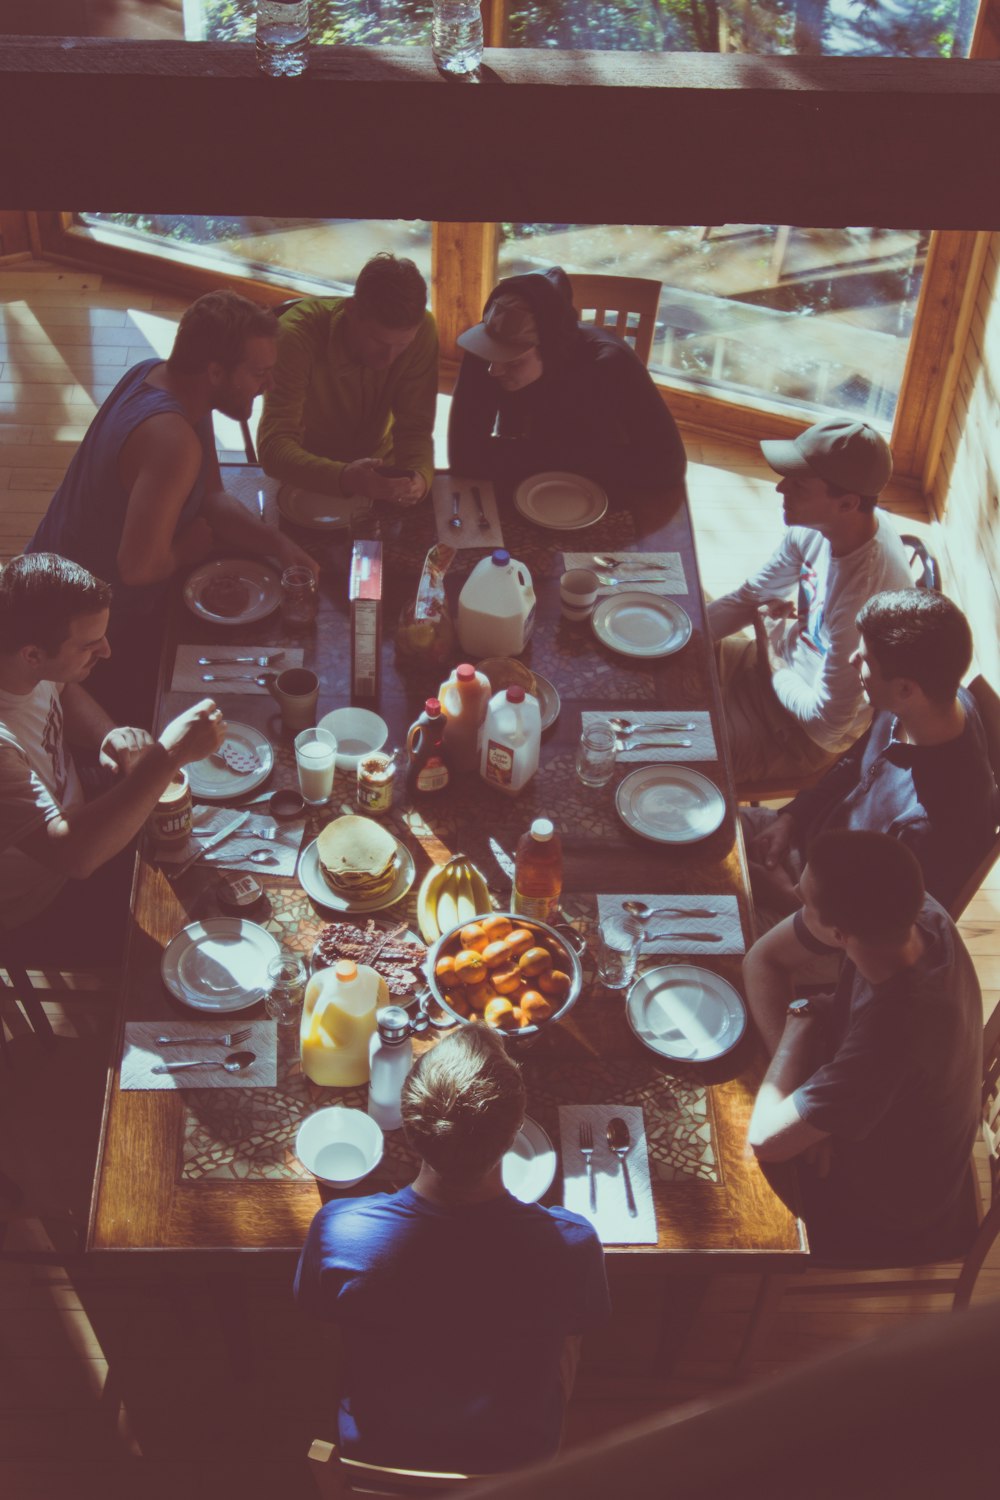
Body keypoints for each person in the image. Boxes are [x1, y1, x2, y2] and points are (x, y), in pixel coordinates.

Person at [294, 1026, 610, 1475]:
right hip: (520, 1460)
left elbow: (326, 1327)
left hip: (376, 1449)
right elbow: (573, 1337)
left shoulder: (340, 1229)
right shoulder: (573, 1243)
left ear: (409, 1128)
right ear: (516, 1131)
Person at [28, 289, 317, 723]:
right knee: (238, 704)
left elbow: (212, 498)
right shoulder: (171, 440)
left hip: (44, 577)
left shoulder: (159, 377)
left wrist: (278, 545)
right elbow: (138, 569)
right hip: (82, 632)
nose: (270, 384)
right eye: (259, 372)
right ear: (216, 372)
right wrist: (187, 547)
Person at [746, 830, 982, 1265]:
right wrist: (809, 1107)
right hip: (895, 1123)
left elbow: (765, 1139)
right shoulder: (916, 911)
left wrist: (799, 1025)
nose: (795, 894)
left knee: (726, 1164)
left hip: (888, 1208)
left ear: (838, 934)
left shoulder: (895, 1034)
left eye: (804, 901)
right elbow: (762, 959)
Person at [0, 553, 225, 962]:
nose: (106, 650)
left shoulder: (21, 659)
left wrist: (109, 735)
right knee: (201, 923)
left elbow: (62, 688)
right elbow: (73, 857)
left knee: (212, 833)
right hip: (42, 898)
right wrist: (168, 754)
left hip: (78, 816)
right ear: (32, 654)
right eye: (89, 645)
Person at [744, 588, 999, 942]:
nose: (852, 660)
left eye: (864, 659)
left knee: (702, 933)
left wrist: (788, 897)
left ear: (906, 689)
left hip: (831, 930)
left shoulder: (931, 822)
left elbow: (879, 932)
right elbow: (852, 764)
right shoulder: (932, 701)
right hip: (804, 845)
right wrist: (791, 818)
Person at [707, 417, 913, 784]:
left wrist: (772, 655)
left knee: (675, 754)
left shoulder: (865, 600)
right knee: (662, 667)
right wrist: (685, 636)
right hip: (771, 668)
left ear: (847, 503)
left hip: (796, 735)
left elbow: (827, 726)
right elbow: (750, 597)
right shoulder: (814, 527)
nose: (779, 488)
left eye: (799, 486)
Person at [448, 266, 686, 491]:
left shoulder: (611, 362)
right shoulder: (486, 345)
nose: (493, 370)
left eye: (512, 361)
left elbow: (667, 465)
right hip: (572, 468)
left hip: (597, 479)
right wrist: (571, 457)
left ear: (550, 352)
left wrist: (531, 455)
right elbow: (464, 457)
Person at [258, 252, 436, 506]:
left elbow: (415, 427)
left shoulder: (424, 330)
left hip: (383, 470)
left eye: (402, 345)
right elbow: (273, 449)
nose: (388, 359)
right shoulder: (294, 337)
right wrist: (346, 477)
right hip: (308, 477)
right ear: (351, 310)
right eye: (378, 342)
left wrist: (419, 476)